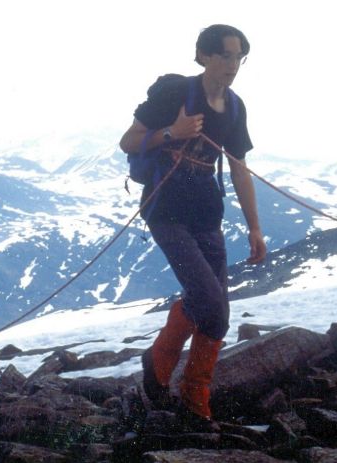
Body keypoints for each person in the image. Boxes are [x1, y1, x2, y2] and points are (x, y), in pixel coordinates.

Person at [119, 24, 267, 427]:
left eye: (239, 56)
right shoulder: (174, 93)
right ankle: (158, 363)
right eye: (224, 55)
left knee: (218, 315)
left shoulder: (235, 108)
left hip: (206, 213)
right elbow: (128, 141)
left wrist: (255, 227)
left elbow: (239, 169)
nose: (232, 64)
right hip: (165, 209)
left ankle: (193, 401)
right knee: (209, 299)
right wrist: (173, 132)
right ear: (202, 56)